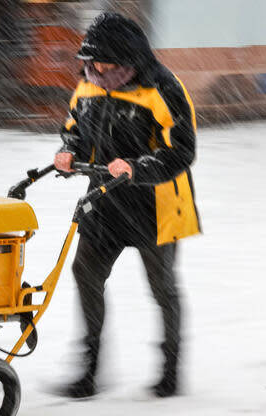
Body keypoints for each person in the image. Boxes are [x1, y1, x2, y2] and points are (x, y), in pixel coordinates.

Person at [53, 12, 200, 398]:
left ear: (128, 59)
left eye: (105, 62)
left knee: (162, 288)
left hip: (155, 205)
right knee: (85, 274)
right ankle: (88, 369)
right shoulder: (88, 84)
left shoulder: (163, 88)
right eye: (92, 61)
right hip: (104, 202)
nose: (96, 68)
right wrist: (69, 151)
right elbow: (74, 129)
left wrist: (136, 167)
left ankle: (170, 370)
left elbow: (182, 151)